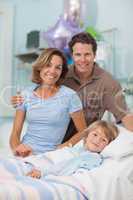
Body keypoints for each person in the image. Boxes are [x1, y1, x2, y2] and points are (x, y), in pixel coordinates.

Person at [11, 32, 133, 143]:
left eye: (87, 54)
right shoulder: (60, 75)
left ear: (94, 55)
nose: (83, 60)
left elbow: (125, 116)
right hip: (52, 142)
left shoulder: (108, 83)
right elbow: (39, 92)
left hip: (83, 142)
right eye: (78, 54)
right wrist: (19, 100)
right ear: (72, 55)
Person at [10, 48, 87, 157]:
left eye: (58, 68)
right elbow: (15, 133)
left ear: (61, 72)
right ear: (40, 67)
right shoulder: (25, 94)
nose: (52, 71)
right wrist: (17, 149)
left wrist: (64, 146)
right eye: (48, 65)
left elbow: (83, 131)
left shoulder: (70, 96)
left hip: (51, 156)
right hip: (25, 153)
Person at [0, 120, 119, 179]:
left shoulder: (93, 157)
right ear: (86, 135)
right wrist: (32, 156)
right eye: (95, 135)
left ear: (107, 145)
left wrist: (43, 172)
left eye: (104, 140)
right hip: (33, 162)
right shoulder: (76, 150)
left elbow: (67, 166)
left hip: (39, 170)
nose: (97, 140)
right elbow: (54, 156)